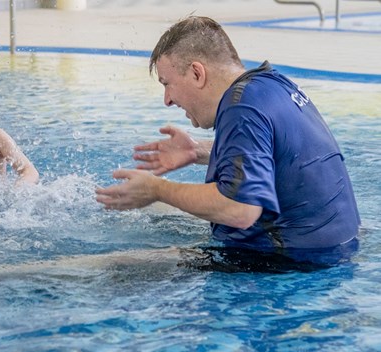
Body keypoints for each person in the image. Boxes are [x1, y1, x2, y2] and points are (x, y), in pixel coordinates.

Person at [95, 16, 360, 263]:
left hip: (291, 263)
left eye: (167, 83)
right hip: (336, 247)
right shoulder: (272, 83)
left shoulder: (241, 108)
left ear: (197, 74)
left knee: (93, 269)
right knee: (152, 212)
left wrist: (156, 189)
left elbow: (241, 210)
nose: (167, 100)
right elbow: (276, 153)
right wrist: (198, 151)